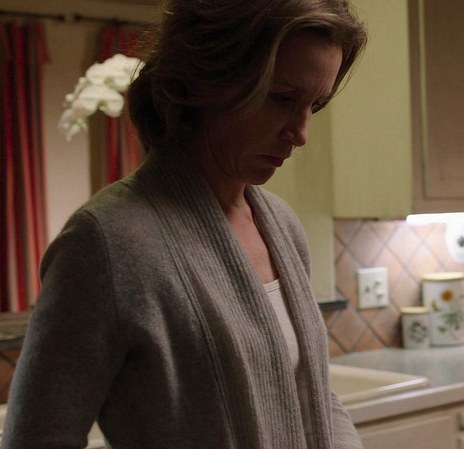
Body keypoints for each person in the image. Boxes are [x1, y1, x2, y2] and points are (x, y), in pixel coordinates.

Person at [0, 0, 367, 448]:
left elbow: (313, 395)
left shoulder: (280, 225)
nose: (301, 133)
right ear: (209, 81)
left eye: (315, 104)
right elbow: (37, 438)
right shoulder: (107, 243)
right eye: (283, 98)